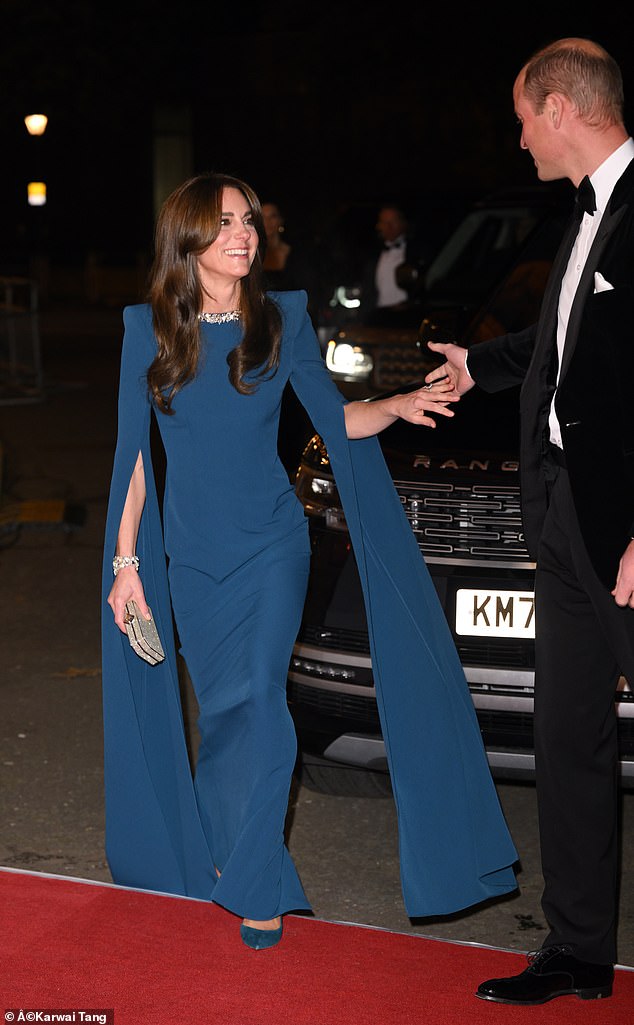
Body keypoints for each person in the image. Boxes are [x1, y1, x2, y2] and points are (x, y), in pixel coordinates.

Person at [102, 172, 518, 953]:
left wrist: (391, 406)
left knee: (260, 700)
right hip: (188, 560)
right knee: (225, 714)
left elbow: (334, 415)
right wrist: (126, 563)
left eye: (250, 220)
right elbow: (133, 461)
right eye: (226, 222)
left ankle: (258, 878)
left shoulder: (283, 318)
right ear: (188, 235)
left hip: (269, 547)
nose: (244, 234)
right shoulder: (145, 328)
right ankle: (230, 845)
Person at [425, 38, 634, 1004]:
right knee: (569, 737)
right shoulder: (582, 218)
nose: (518, 141)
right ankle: (579, 950)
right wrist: (484, 364)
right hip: (559, 510)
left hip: (625, 529)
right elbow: (568, 344)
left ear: (560, 108)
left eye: (522, 118)